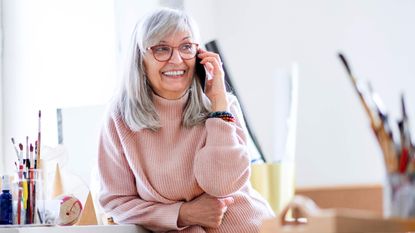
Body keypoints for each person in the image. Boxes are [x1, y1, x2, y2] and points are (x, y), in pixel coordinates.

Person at [98, 8, 274, 233]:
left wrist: (219, 105)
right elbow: (117, 203)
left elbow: (222, 185)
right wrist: (182, 214)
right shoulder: (119, 118)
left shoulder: (222, 105)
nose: (177, 59)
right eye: (162, 49)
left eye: (186, 47)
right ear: (141, 59)